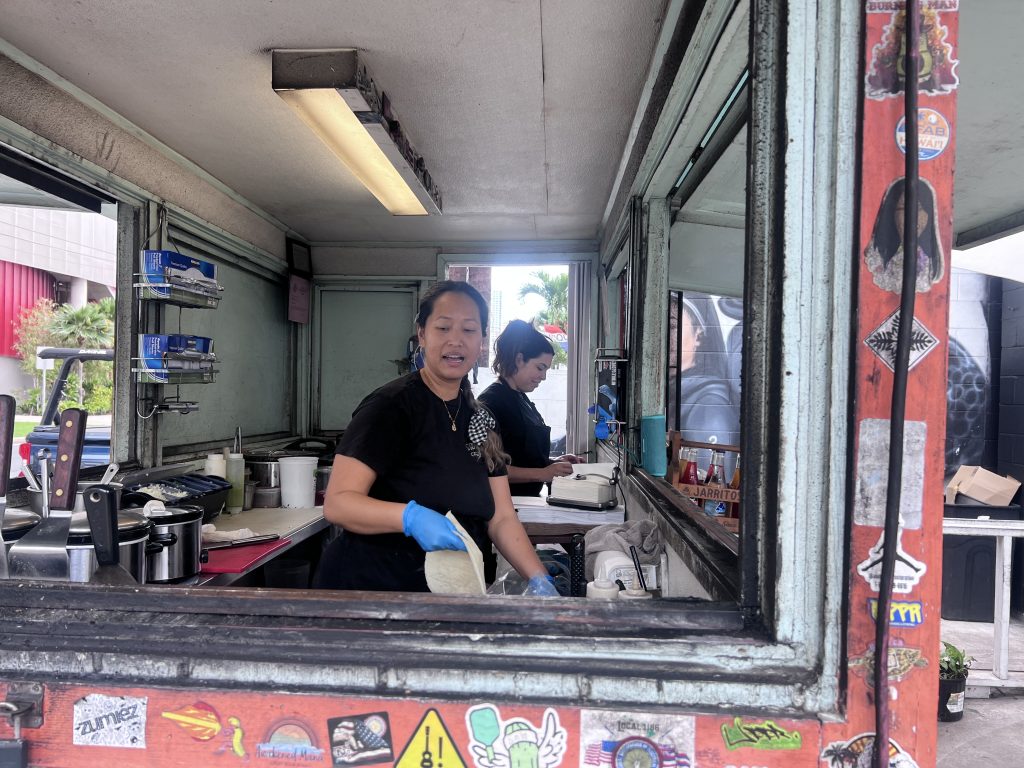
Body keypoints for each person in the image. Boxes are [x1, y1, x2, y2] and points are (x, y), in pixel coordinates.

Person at [315, 281, 557, 596]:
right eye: (443, 328)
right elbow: (338, 503)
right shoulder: (390, 407)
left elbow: (501, 518)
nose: (455, 340)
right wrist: (409, 517)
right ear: (422, 334)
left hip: (450, 592)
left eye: (469, 330)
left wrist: (539, 578)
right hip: (372, 588)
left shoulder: (481, 419)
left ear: (482, 340)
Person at [478, 320, 583, 497]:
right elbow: (487, 467)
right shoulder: (490, 403)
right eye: (540, 368)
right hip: (504, 504)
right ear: (519, 360)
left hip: (527, 501)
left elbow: (519, 456)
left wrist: (553, 464)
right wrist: (543, 473)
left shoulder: (520, 398)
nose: (543, 377)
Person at [669, 293, 740, 473]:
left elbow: (706, 485)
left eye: (672, 326)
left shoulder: (709, 408)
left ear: (698, 335)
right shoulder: (673, 392)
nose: (661, 336)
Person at [864, 176, 944, 294]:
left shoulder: (931, 263)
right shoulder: (875, 258)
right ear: (891, 212)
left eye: (920, 208)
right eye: (902, 208)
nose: (912, 218)